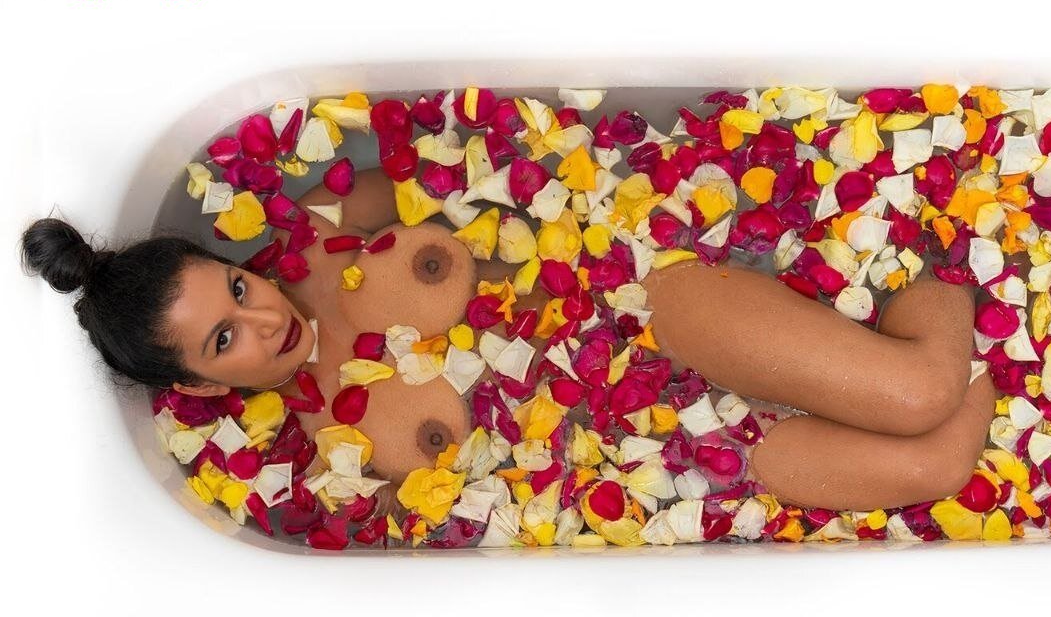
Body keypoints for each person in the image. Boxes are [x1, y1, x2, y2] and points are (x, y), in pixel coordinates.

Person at [19, 168, 996, 513]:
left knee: (918, 394)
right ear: (196, 387)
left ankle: (940, 252)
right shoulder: (319, 457)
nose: (267, 317)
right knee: (937, 464)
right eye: (226, 337)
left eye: (236, 285)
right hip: (661, 452)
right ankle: (976, 326)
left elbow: (480, 165)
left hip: (635, 300)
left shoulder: (321, 230)